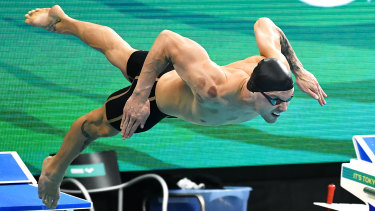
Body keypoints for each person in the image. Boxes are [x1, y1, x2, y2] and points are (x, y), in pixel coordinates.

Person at [24, 5, 326, 209]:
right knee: (92, 127)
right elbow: (168, 39)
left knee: (119, 51)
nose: (283, 108)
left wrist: (298, 71)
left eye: (288, 99)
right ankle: (53, 169)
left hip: (178, 80)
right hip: (158, 97)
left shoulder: (277, 69)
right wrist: (139, 97)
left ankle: (60, 20)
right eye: (276, 101)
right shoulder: (213, 87)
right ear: (254, 89)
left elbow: (265, 24)